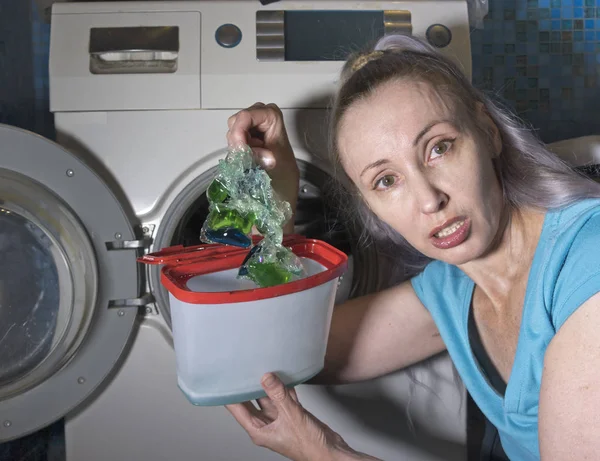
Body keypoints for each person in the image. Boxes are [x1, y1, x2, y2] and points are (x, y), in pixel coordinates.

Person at [224, 34, 600, 461]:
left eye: (439, 149)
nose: (428, 200)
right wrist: (277, 200)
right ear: (370, 205)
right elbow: (279, 346)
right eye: (386, 180)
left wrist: (324, 453)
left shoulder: (588, 264)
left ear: (488, 132)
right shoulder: (454, 290)